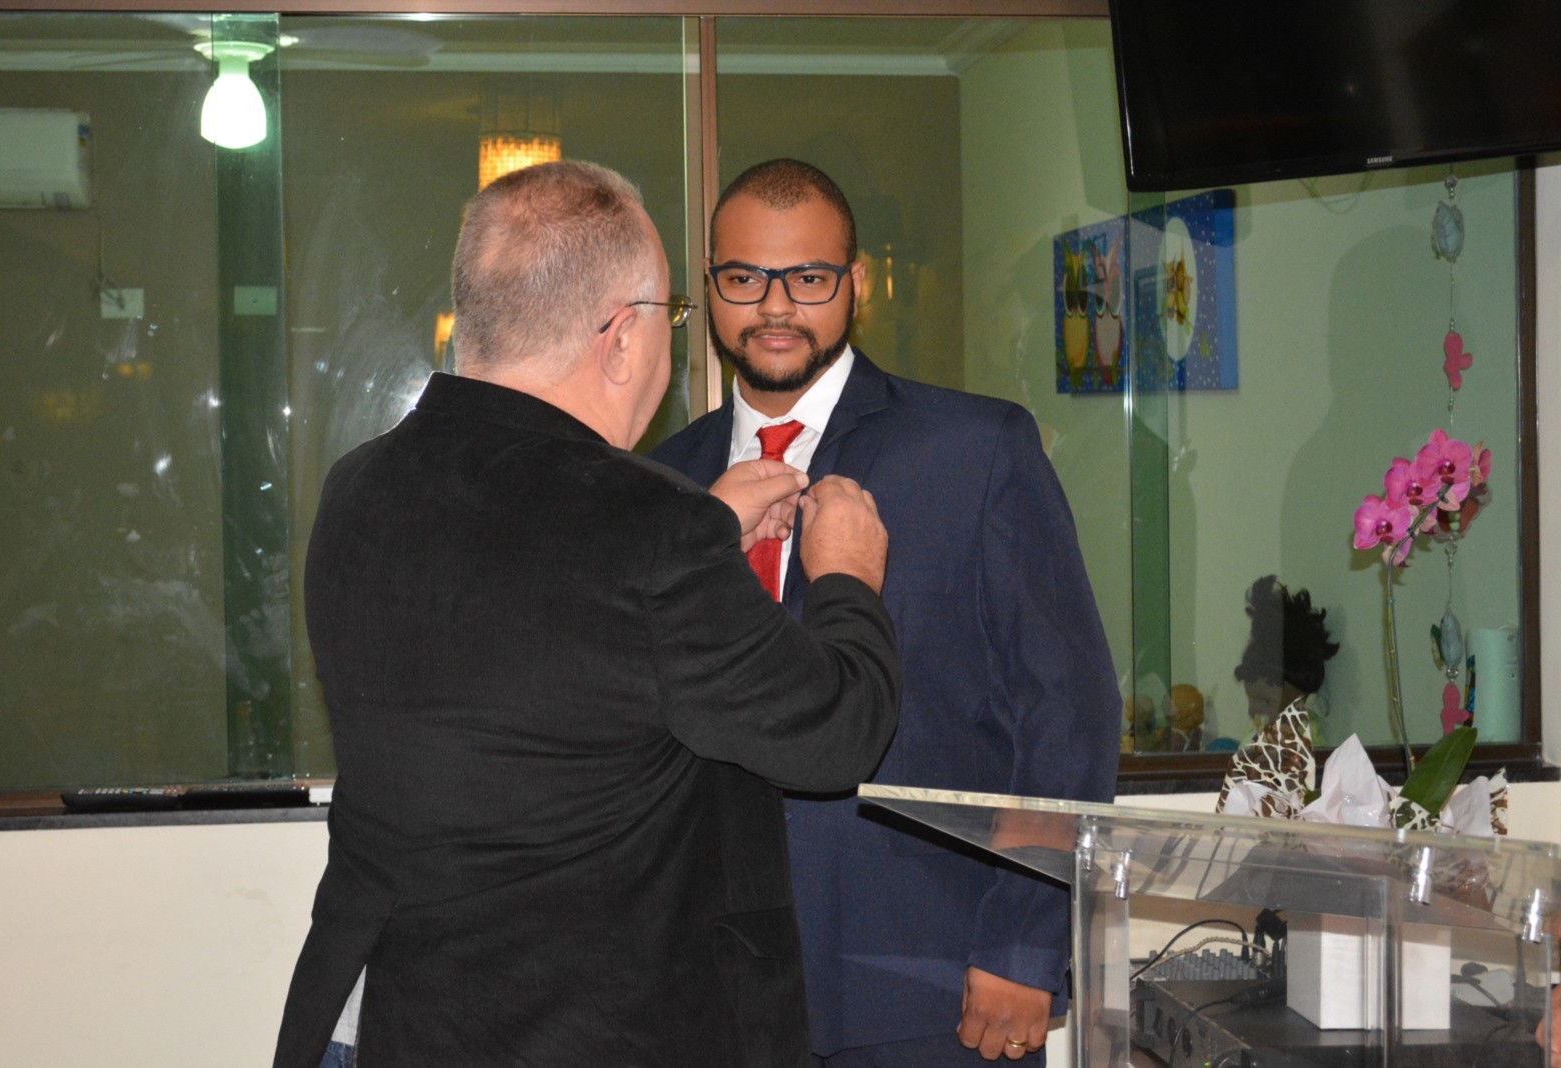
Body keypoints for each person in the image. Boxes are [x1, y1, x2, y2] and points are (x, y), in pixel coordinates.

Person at [273, 160, 903, 1068]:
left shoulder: (359, 486)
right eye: (672, 317)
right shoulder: (647, 528)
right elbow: (834, 737)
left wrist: (702, 532)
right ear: (621, 337)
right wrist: (846, 576)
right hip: (577, 1029)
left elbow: (537, 633)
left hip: (387, 1019)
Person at [652, 159, 1121, 1065]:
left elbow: (1067, 708)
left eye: (809, 278)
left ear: (856, 284)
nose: (774, 306)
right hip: (709, 989)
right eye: (744, 278)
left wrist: (1023, 939)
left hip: (928, 985)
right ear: (710, 286)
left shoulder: (976, 451)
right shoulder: (666, 482)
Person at [1232, 574, 1340, 729]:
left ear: (1302, 702)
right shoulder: (1259, 730)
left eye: (1267, 701)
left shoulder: (1302, 737)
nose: (1253, 711)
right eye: (1251, 698)